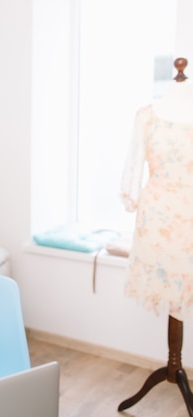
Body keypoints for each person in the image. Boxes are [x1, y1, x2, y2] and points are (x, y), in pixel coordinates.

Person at [120, 73, 193, 321]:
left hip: (189, 216)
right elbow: (134, 160)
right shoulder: (146, 115)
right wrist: (130, 194)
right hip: (156, 216)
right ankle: (174, 360)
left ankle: (176, 360)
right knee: (165, 284)